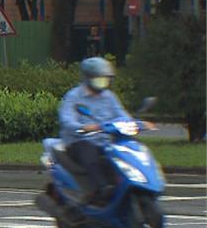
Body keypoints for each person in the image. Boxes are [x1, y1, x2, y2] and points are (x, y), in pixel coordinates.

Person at [58, 57, 152, 205]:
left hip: (106, 140)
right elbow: (66, 119)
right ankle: (100, 190)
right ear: (88, 78)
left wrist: (139, 124)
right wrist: (83, 127)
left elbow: (122, 115)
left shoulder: (109, 97)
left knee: (131, 150)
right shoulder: (74, 96)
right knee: (90, 154)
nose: (103, 82)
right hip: (80, 141)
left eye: (106, 79)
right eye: (99, 79)